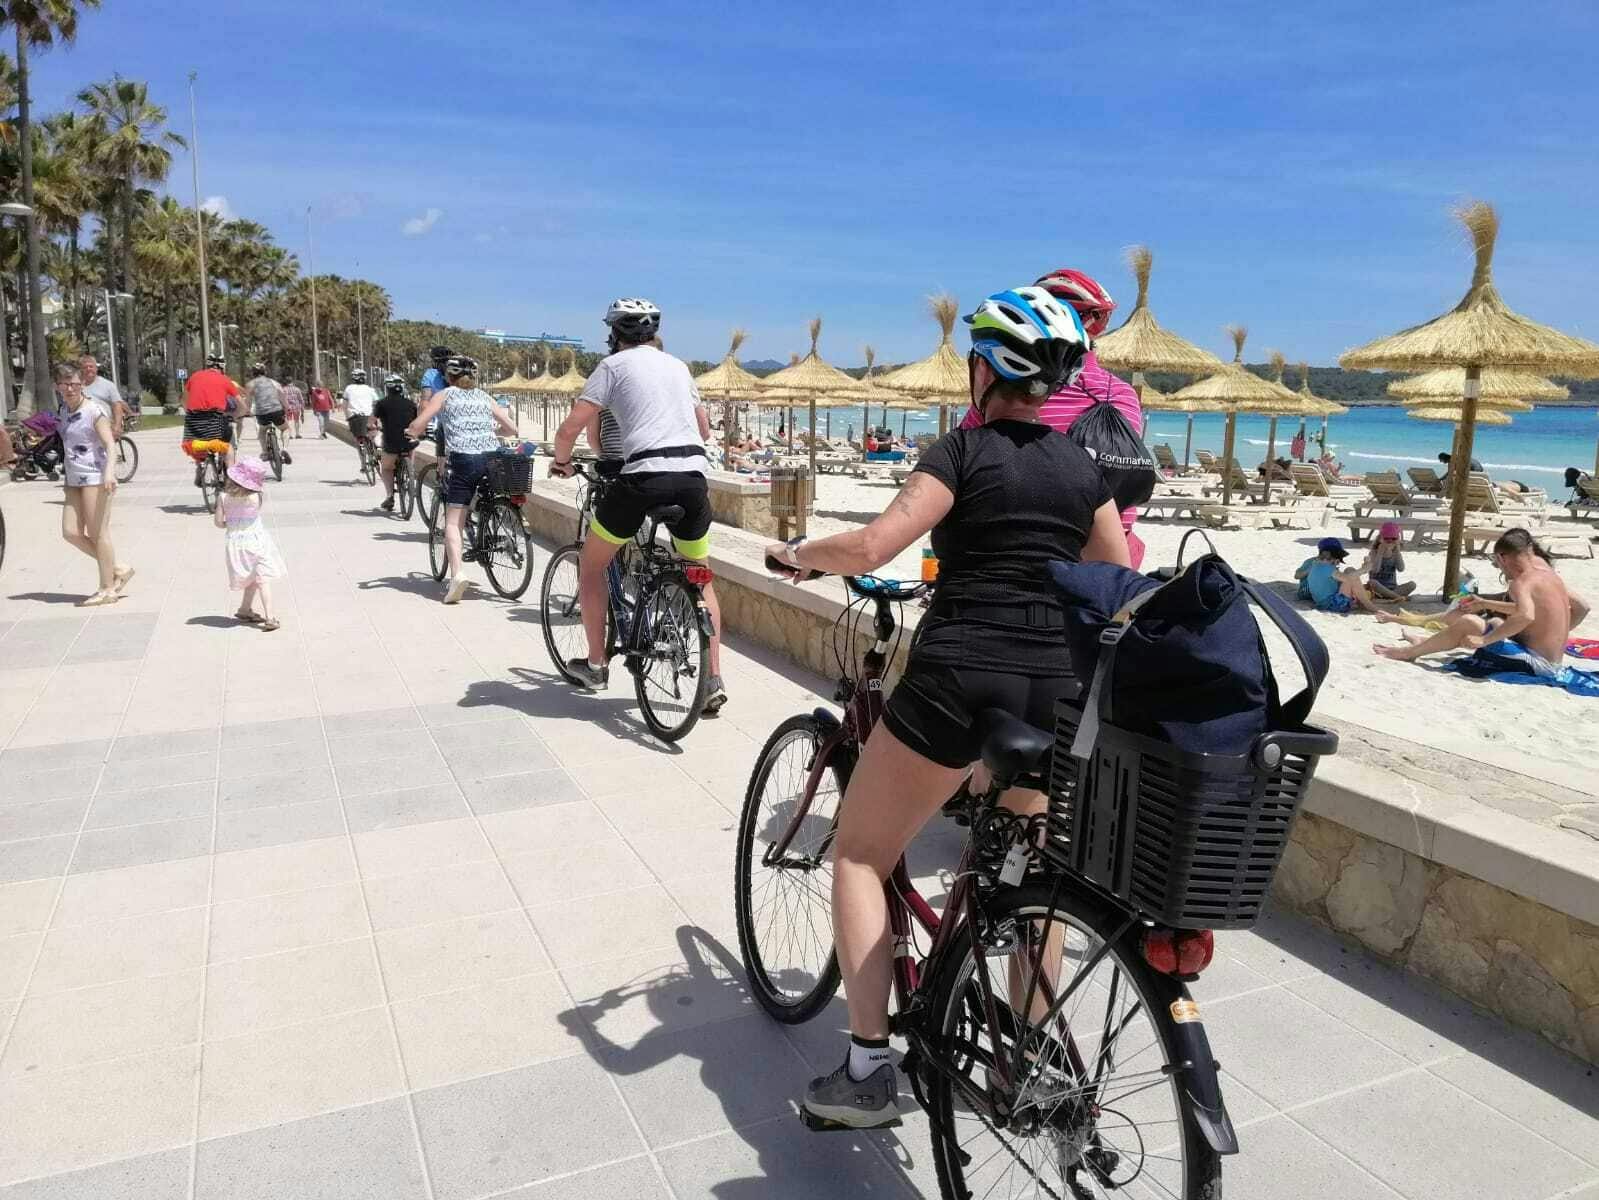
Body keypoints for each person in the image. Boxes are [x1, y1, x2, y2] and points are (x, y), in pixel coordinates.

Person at [764, 287, 1127, 1130]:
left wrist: (796, 554)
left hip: (962, 672)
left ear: (981, 370)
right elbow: (1113, 578)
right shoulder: (1084, 469)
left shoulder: (959, 453)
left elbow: (872, 546)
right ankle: (1025, 1062)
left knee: (857, 852)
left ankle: (864, 1072)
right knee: (1029, 871)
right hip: (1055, 690)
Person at [549, 298, 729, 714]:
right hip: (692, 481)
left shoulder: (611, 367)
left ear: (614, 334)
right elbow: (703, 428)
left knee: (592, 565)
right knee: (700, 579)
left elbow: (571, 428)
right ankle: (713, 678)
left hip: (643, 478)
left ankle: (596, 664)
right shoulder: (679, 366)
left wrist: (561, 461)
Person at [955, 266, 1146, 567]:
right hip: (1114, 556)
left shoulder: (1014, 392)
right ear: (1097, 324)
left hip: (1025, 552)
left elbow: (963, 460)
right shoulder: (1122, 395)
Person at [1375, 529, 1590, 673]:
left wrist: (1484, 641)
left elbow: (1526, 615)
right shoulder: (1546, 572)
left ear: (1502, 558)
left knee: (1471, 623)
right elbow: (1581, 607)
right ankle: (1423, 644)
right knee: (1495, 624)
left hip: (1538, 665)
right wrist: (1485, 603)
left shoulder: (1521, 582)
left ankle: (1408, 654)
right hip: (1553, 660)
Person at [405, 355, 519, 603]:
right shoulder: (486, 397)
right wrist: (493, 433)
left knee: (453, 521)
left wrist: (412, 430)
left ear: (449, 377)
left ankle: (457, 575)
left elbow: (420, 422)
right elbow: (512, 429)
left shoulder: (444, 395)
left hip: (464, 461)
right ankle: (489, 527)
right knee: (484, 497)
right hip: (491, 459)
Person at [56, 363, 133, 606]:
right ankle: (118, 568)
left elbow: (110, 444)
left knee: (98, 533)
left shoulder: (93, 410)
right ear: (57, 386)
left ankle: (107, 588)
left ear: (82, 384)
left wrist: (110, 473)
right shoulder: (63, 411)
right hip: (73, 478)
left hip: (96, 477)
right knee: (70, 532)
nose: (70, 388)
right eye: (65, 384)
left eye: (75, 384)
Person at [215, 456, 286, 631]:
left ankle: (244, 609)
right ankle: (270, 617)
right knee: (262, 578)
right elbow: (253, 514)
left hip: (235, 543)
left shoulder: (222, 497)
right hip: (256, 541)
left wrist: (230, 525)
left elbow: (218, 522)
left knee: (252, 578)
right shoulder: (256, 497)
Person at [183, 352, 240, 479]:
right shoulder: (225, 380)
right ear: (222, 368)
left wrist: (192, 414)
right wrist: (236, 416)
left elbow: (184, 400)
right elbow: (242, 404)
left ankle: (200, 466)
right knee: (229, 447)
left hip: (194, 428)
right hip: (216, 424)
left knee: (199, 442)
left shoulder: (194, 376)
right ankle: (232, 479)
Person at [1295, 536, 1386, 614]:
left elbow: (1333, 580)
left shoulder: (1315, 565)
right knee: (1351, 575)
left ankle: (1362, 600)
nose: (1337, 564)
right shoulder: (1327, 568)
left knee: (1349, 571)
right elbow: (1347, 579)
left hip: (1323, 602)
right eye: (1338, 561)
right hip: (1333, 605)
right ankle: (1369, 605)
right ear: (1333, 558)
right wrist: (1364, 570)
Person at [375, 373, 418, 511]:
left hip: (391, 443)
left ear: (387, 388)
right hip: (408, 443)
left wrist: (372, 426)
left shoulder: (381, 404)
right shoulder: (411, 404)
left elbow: (371, 421)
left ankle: (389, 496)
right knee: (412, 446)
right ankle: (410, 471)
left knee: (386, 468)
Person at [242, 362, 290, 464]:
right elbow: (282, 395)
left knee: (262, 431)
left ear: (253, 373)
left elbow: (248, 401)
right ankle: (285, 448)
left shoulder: (250, 384)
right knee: (285, 428)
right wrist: (286, 407)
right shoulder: (274, 382)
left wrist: (247, 411)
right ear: (265, 372)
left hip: (262, 413)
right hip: (276, 410)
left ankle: (265, 452)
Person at [1363, 522, 1416, 599]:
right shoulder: (1374, 552)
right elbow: (1375, 570)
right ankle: (1397, 597)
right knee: (1372, 582)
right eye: (1386, 539)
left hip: (1392, 588)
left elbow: (1401, 569)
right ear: (1380, 539)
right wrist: (1380, 553)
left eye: (1393, 539)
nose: (1390, 541)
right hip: (1377, 589)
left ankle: (1391, 596)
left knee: (1412, 584)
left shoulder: (1395, 553)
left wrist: (1397, 551)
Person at [78, 355, 127, 436]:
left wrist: (117, 426)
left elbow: (117, 406)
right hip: (82, 428)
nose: (88, 369)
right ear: (81, 370)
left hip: (104, 427)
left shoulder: (108, 385)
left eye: (91, 366)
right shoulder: (76, 386)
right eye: (85, 367)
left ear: (96, 368)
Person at [420, 345, 452, 461]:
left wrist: (422, 427)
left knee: (442, 460)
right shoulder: (457, 373)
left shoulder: (430, 374)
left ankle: (442, 473)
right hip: (459, 421)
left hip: (442, 424)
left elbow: (425, 402)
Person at [342, 368, 379, 465]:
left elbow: (345, 405)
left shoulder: (348, 388)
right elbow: (377, 403)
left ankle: (363, 463)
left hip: (355, 418)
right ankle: (374, 452)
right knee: (372, 435)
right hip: (370, 416)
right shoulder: (370, 389)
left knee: (359, 440)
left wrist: (347, 417)